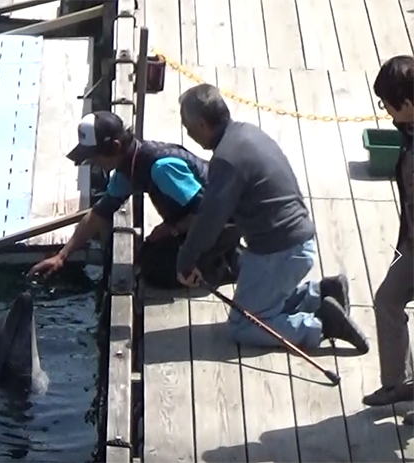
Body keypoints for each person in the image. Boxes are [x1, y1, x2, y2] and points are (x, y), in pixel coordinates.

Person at [174, 83, 370, 354]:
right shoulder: (247, 134)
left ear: (203, 124)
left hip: (278, 253)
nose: (188, 133)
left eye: (189, 126)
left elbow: (210, 218)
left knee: (242, 325)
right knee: (265, 301)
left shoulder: (227, 159)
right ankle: (324, 292)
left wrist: (186, 259)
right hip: (298, 241)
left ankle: (322, 324)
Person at [26, 110, 241, 284]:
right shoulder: (128, 169)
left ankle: (227, 267)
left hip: (223, 222)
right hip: (197, 221)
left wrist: (169, 230)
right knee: (147, 258)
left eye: (94, 157)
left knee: (156, 271)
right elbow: (99, 213)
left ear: (116, 147)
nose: (93, 164)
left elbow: (208, 211)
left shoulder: (161, 168)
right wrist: (62, 256)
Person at [362, 55, 414, 408]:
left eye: (388, 105)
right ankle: (399, 383)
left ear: (408, 104)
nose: (385, 111)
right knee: (388, 301)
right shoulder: (408, 130)